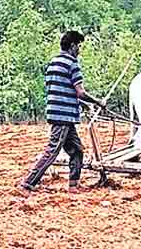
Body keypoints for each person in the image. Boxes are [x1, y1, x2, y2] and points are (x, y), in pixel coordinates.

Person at [18, 30, 106, 194]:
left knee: (77, 150)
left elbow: (62, 90)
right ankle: (27, 183)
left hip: (58, 112)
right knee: (53, 150)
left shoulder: (53, 63)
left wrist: (81, 104)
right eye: (79, 46)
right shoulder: (72, 64)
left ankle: (73, 185)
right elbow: (79, 91)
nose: (79, 50)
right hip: (64, 115)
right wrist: (97, 102)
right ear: (72, 46)